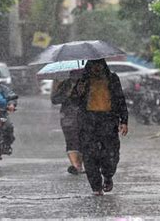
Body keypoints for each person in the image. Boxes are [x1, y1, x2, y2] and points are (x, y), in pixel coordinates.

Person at [75, 59, 128, 196]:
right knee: (89, 156)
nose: (96, 68)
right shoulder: (82, 80)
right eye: (93, 65)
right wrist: (78, 92)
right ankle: (96, 186)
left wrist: (124, 120)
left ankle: (108, 176)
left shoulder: (112, 79)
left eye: (99, 65)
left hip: (108, 120)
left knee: (111, 154)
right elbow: (74, 102)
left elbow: (120, 99)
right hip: (88, 122)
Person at [51, 70, 84, 175]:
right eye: (73, 74)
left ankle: (80, 165)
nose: (75, 76)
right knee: (71, 140)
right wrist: (66, 95)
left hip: (84, 115)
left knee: (83, 140)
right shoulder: (65, 84)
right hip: (68, 116)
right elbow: (54, 99)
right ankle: (75, 166)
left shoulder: (87, 83)